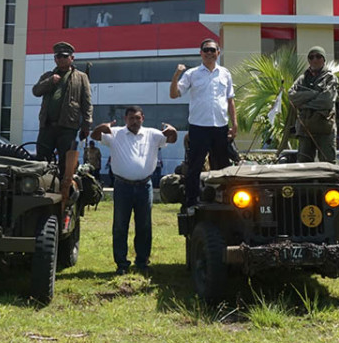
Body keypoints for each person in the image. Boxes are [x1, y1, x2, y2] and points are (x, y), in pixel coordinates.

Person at [92, 106, 178, 274]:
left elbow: (172, 139)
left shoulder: (152, 134)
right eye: (131, 118)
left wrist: (173, 130)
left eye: (137, 118)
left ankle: (142, 262)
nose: (134, 121)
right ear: (126, 119)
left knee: (144, 226)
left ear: (142, 118)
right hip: (122, 186)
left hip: (144, 186)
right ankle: (121, 264)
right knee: (120, 226)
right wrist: (101, 127)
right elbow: (95, 136)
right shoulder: (115, 133)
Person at [170, 38, 237, 208]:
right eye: (206, 50)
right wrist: (176, 76)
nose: (209, 53)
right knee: (194, 167)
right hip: (199, 127)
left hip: (220, 127)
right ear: (200, 53)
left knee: (223, 167)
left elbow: (230, 100)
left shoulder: (225, 73)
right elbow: (174, 94)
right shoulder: (192, 73)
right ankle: (191, 202)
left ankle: (226, 199)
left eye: (212, 50)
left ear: (218, 53)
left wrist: (234, 124)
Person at [32, 41, 92, 208]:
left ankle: (64, 194)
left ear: (72, 58)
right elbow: (36, 91)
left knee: (66, 163)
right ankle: (41, 190)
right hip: (47, 125)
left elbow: (87, 102)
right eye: (58, 56)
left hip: (68, 126)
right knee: (42, 160)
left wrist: (87, 124)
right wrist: (50, 81)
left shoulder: (81, 77)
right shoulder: (48, 75)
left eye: (64, 56)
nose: (61, 59)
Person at [286, 46, 338, 163]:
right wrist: (314, 94)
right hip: (305, 128)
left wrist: (303, 103)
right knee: (303, 164)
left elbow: (326, 101)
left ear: (323, 59)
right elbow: (292, 97)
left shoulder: (330, 78)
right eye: (311, 57)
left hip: (324, 128)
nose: (315, 59)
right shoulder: (301, 79)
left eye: (318, 56)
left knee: (328, 164)